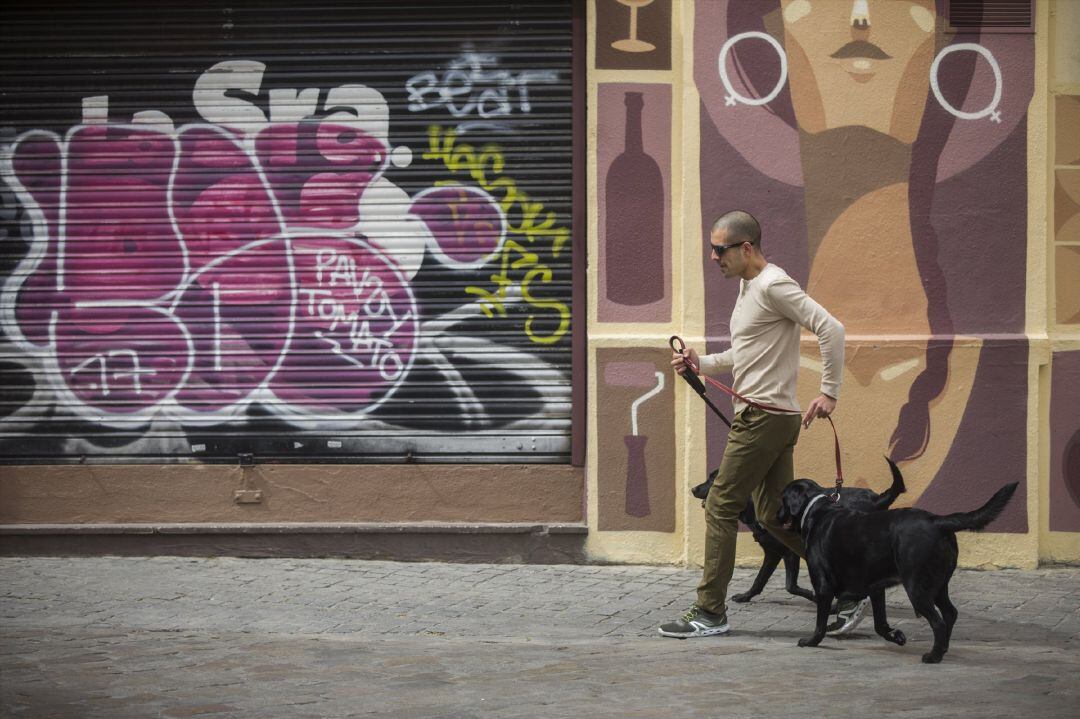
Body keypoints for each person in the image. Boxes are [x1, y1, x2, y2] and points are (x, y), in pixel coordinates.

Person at [658, 210, 867, 638]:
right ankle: (850, 588)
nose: (713, 256)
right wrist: (701, 363)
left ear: (746, 248)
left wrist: (829, 391)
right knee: (773, 516)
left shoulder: (773, 285)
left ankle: (709, 611)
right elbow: (745, 353)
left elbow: (832, 328)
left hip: (764, 418)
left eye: (719, 249)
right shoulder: (749, 286)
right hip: (769, 417)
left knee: (720, 504)